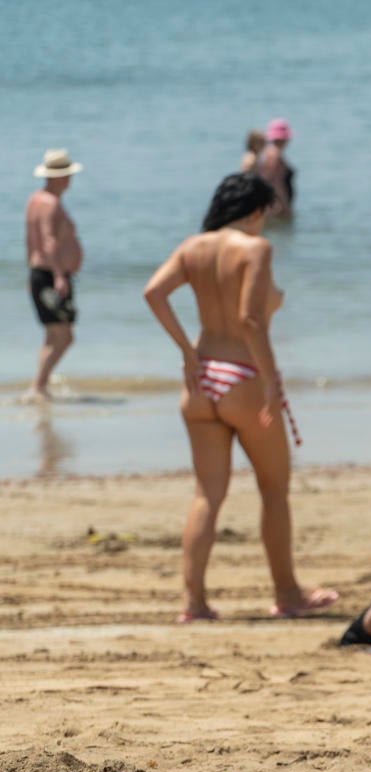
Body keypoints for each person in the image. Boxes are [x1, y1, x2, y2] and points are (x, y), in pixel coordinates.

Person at [142, 173, 337, 623]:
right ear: (253, 211)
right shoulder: (255, 250)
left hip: (202, 376)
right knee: (274, 489)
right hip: (243, 376)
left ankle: (193, 603)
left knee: (206, 495)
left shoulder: (192, 247)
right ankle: (287, 592)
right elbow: (250, 321)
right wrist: (270, 381)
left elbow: (153, 292)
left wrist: (187, 352)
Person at [23, 149, 84, 403]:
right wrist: (60, 276)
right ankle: (38, 386)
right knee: (65, 337)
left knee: (52, 335)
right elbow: (48, 242)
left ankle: (41, 387)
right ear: (58, 177)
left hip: (39, 274)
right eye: (67, 175)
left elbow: (30, 242)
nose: (70, 179)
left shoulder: (34, 200)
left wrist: (31, 275)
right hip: (51, 276)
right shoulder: (51, 204)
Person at [256, 118, 296, 218]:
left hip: (271, 202)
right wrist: (285, 205)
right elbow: (276, 183)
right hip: (276, 205)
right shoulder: (275, 155)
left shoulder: (268, 152)